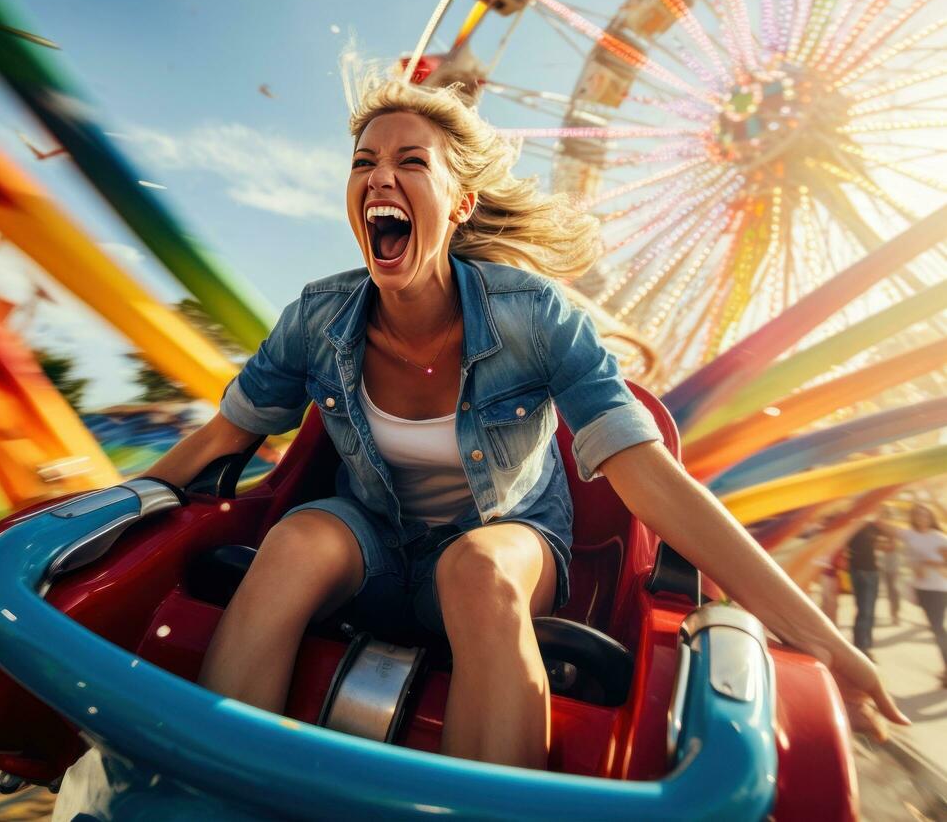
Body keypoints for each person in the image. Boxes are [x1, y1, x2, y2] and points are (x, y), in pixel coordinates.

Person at [145, 77, 907, 768]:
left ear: (462, 202)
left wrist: (822, 641)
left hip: (506, 537)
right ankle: (206, 789)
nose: (380, 175)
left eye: (412, 161)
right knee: (291, 544)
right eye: (363, 162)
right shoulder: (317, 318)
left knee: (477, 573)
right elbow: (222, 442)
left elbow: (657, 488)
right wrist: (105, 514)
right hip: (369, 537)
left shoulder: (535, 316)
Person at [896, 504, 947, 687]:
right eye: (918, 514)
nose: (921, 518)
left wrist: (926, 563)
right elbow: (885, 527)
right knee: (935, 627)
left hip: (938, 588)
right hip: (920, 588)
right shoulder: (910, 534)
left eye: (925, 515)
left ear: (931, 517)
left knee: (937, 627)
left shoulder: (939, 537)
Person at [847, 521, 882, 659]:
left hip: (872, 571)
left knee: (868, 611)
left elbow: (888, 545)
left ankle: (862, 646)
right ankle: (862, 648)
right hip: (860, 571)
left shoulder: (874, 525)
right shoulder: (852, 521)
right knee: (865, 611)